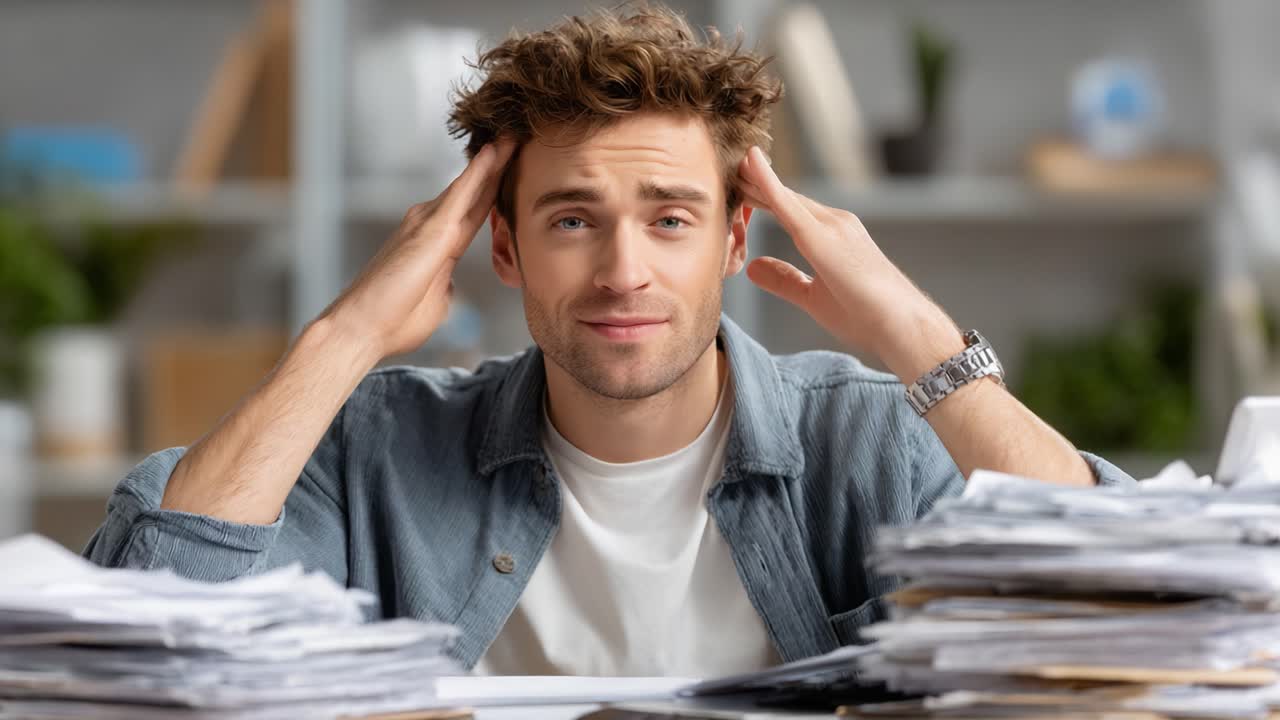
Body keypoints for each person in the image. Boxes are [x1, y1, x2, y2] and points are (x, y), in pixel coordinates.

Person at [84, 5, 1132, 676]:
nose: (622, 271)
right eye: (572, 219)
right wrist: (345, 333)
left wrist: (913, 335)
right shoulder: (377, 449)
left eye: (670, 218)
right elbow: (144, 630)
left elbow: (1128, 609)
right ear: (503, 248)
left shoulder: (867, 437)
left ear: (732, 238)